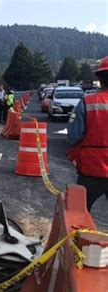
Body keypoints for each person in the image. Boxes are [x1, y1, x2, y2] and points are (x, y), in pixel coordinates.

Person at [67, 56, 108, 212]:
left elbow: (73, 137)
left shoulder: (87, 102)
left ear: (99, 78)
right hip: (92, 167)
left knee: (78, 213)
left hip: (92, 168)